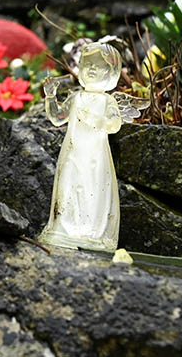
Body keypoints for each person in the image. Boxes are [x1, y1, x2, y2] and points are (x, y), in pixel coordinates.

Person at [39, 42, 147, 250]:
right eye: (87, 64)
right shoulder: (76, 97)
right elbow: (57, 117)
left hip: (94, 157)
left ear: (111, 72)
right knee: (68, 186)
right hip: (72, 153)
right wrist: (51, 96)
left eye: (98, 66)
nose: (91, 70)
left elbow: (114, 125)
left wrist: (95, 121)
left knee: (92, 188)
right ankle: (64, 227)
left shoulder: (107, 102)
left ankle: (91, 231)